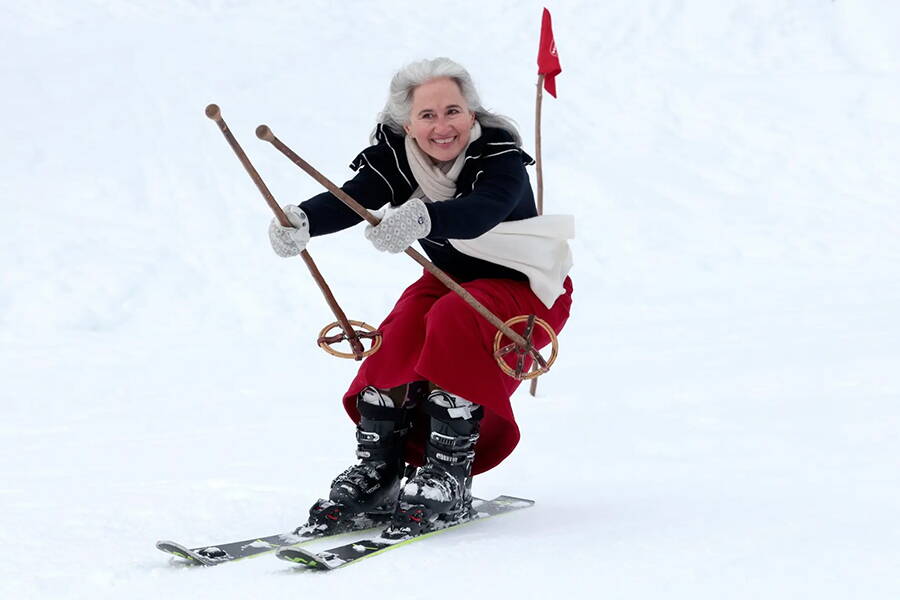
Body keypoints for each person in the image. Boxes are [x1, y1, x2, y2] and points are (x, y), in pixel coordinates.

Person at [268, 57, 574, 533]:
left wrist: (426, 218)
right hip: (451, 277)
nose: (442, 126)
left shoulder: (499, 156)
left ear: (472, 114)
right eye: (427, 116)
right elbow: (355, 197)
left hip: (525, 285)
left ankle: (448, 476)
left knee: (452, 317)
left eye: (453, 111)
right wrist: (303, 221)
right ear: (407, 123)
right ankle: (381, 470)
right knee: (405, 326)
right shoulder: (399, 155)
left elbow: (482, 211)